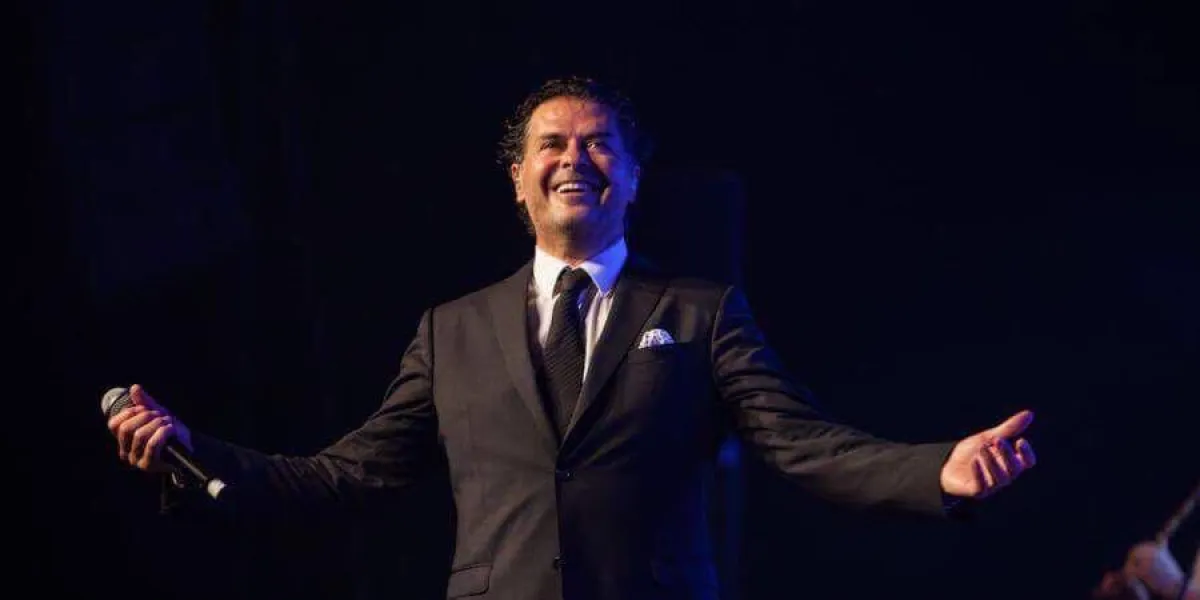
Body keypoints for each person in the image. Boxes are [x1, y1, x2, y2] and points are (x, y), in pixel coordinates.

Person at [107, 76, 1038, 600]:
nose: (573, 159)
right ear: (518, 181)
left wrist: (937, 470)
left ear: (632, 179)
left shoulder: (701, 312)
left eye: (598, 144)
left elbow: (806, 447)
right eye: (551, 144)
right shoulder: (451, 330)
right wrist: (192, 455)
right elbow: (346, 476)